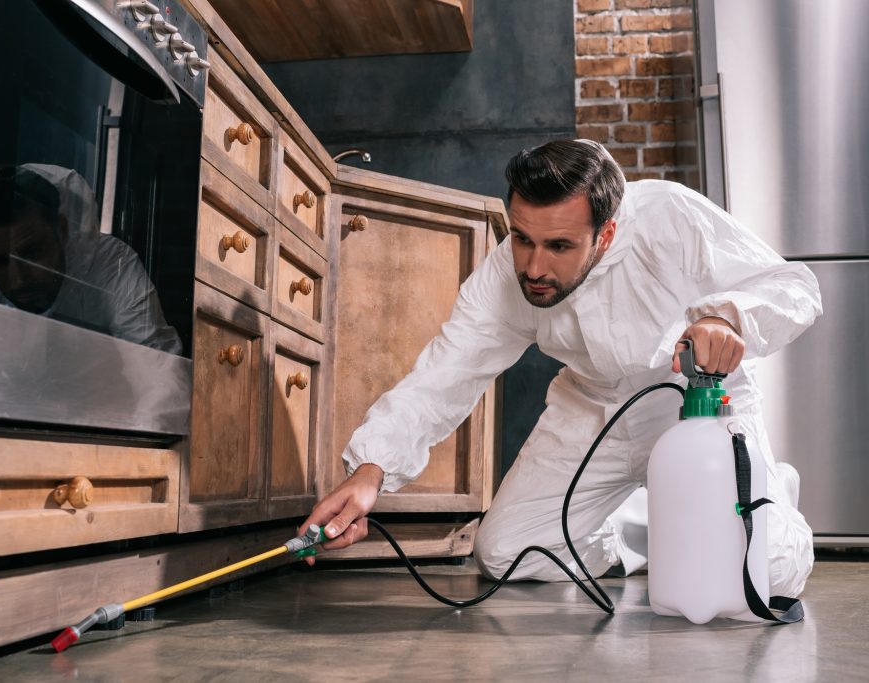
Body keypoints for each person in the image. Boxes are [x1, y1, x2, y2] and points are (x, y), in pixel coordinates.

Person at [300, 139, 822, 598]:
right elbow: (446, 372)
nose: (533, 266)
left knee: (766, 575)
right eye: (523, 237)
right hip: (590, 410)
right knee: (503, 556)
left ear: (608, 232)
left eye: (559, 246)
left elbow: (794, 287)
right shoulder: (507, 274)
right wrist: (371, 470)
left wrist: (727, 318)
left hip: (697, 410)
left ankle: (776, 496)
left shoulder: (669, 215)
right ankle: (635, 529)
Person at [0, 164, 182, 354]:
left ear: (62, 230)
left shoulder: (112, 265)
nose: (18, 281)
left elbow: (157, 370)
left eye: (31, 253)